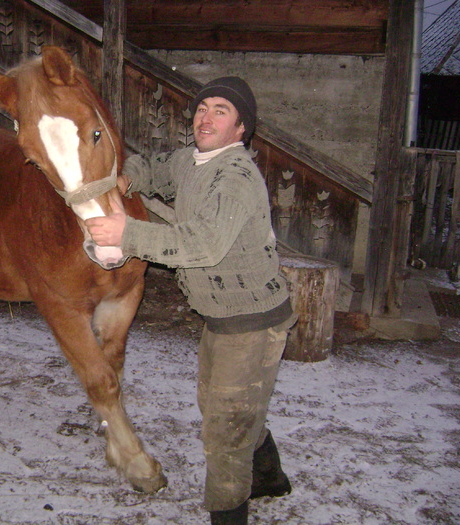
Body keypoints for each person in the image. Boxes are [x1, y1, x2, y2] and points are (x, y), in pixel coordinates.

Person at [85, 76, 296, 524]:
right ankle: (270, 477)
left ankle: (229, 514)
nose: (207, 116)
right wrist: (126, 178)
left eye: (222, 110)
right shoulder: (193, 161)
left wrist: (128, 234)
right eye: (203, 108)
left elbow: (204, 244)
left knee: (225, 433)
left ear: (241, 129)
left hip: (254, 322)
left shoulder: (236, 176)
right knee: (224, 407)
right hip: (222, 318)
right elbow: (156, 165)